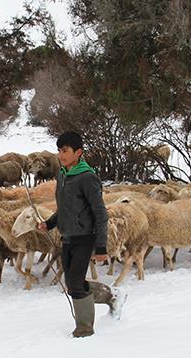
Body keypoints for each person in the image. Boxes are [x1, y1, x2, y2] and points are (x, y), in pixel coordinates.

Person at [38, 131, 123, 337]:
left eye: (65, 151)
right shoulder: (62, 175)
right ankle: (112, 296)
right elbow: (65, 208)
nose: (61, 155)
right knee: (72, 284)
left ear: (78, 152)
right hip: (67, 236)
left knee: (75, 284)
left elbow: (100, 213)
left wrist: (101, 246)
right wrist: (49, 223)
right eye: (59, 151)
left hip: (85, 237)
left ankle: (85, 328)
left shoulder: (87, 178)